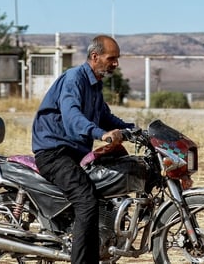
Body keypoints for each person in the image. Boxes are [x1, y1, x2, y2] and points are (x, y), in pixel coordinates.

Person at [32, 34, 135, 264]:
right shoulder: (74, 79)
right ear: (95, 56)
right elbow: (72, 116)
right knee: (87, 200)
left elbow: (105, 117)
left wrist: (136, 130)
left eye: (117, 59)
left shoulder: (94, 85)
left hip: (74, 154)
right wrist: (101, 134)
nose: (116, 63)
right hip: (54, 153)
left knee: (106, 189)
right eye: (112, 58)